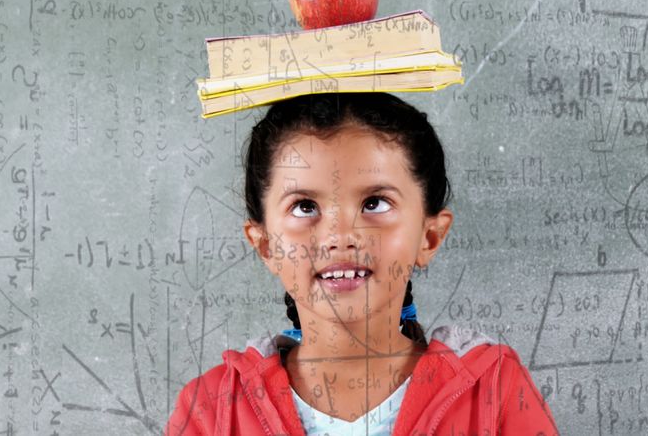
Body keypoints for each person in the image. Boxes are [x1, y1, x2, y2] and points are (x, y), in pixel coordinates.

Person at [166, 92, 558, 435]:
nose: (340, 235)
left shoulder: (495, 393)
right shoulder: (211, 411)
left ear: (429, 236)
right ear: (265, 245)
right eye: (305, 207)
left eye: (375, 203)